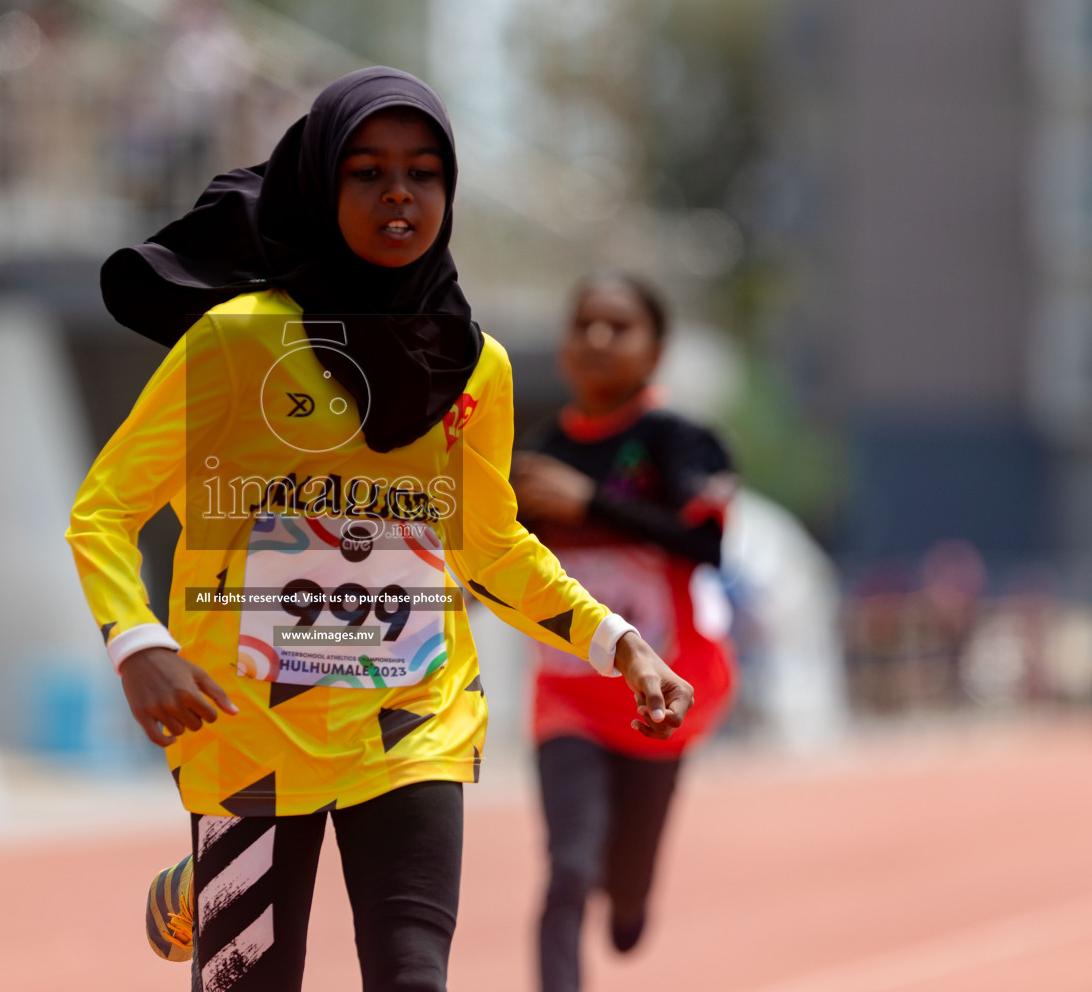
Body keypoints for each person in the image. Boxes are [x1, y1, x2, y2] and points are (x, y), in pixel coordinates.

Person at [69, 68, 695, 992]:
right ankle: (207, 875)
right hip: (247, 729)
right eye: (366, 172)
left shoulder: (477, 365)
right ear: (323, 188)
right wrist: (137, 641)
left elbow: (489, 544)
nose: (399, 193)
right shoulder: (237, 343)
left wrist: (619, 642)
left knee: (412, 978)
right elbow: (107, 509)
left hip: (411, 723)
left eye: (424, 172)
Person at [510, 273, 737, 992]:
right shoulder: (535, 452)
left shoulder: (683, 443)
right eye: (583, 325)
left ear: (656, 350)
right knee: (569, 867)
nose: (597, 340)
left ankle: (633, 894)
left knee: (625, 890)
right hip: (566, 697)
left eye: (619, 326)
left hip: (662, 696)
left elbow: (707, 544)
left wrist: (590, 503)